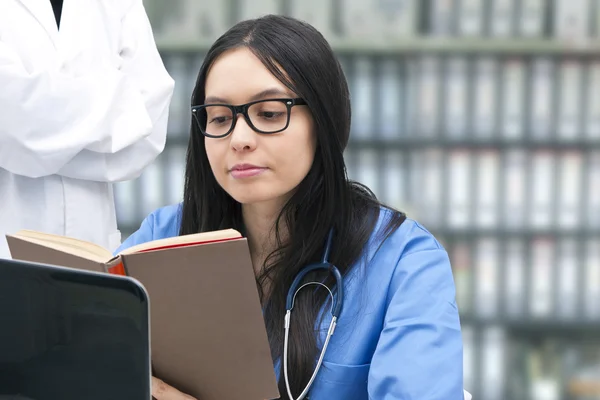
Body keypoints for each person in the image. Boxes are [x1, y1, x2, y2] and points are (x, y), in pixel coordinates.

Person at [117, 15, 465, 400]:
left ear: (324, 120)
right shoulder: (161, 239)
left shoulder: (405, 262)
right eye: (219, 118)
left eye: (268, 113)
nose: (239, 138)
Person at [0, 0, 175, 258]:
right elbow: (11, 119)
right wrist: (117, 102)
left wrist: (33, 143)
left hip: (93, 247)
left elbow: (150, 127)